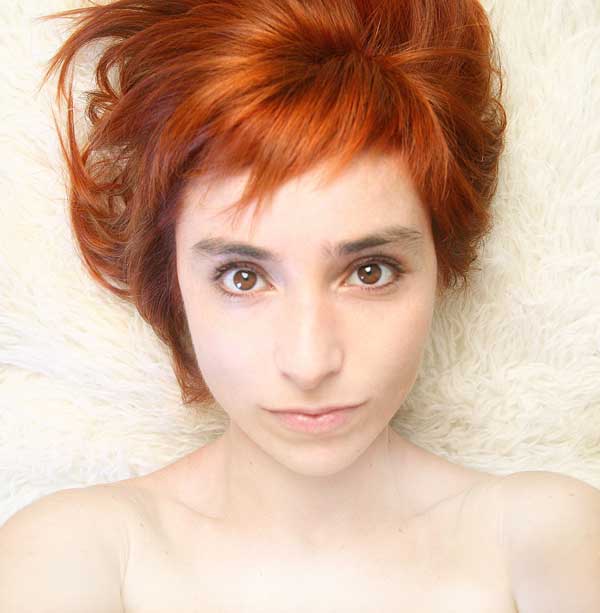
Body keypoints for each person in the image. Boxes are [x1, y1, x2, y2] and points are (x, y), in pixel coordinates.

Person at [2, 1, 599, 612]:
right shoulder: (75, 554)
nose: (310, 363)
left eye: (369, 272)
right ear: (171, 281)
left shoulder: (543, 539)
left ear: (440, 264)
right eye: (242, 278)